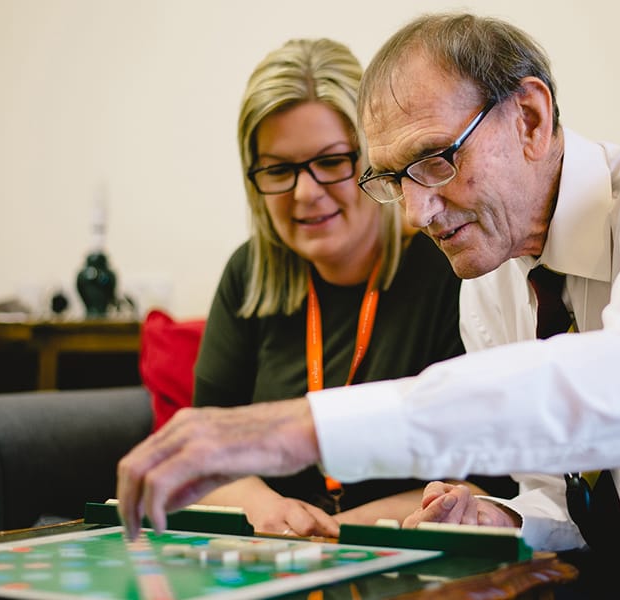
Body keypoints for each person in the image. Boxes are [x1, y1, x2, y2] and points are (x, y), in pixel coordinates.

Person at [118, 13, 620, 597]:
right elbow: (563, 495)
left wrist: (299, 428)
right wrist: (502, 517)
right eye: (394, 179)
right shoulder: (491, 280)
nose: (416, 213)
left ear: (530, 117)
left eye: (436, 159)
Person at [183, 37, 511, 539]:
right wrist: (265, 507)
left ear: (375, 157)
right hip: (272, 550)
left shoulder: (450, 263)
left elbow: (486, 481)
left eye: (331, 161)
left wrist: (333, 529)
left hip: (403, 552)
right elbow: (202, 454)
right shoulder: (247, 273)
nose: (305, 193)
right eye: (279, 169)